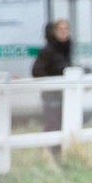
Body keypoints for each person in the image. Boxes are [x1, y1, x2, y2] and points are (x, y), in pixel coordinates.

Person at [32, 19, 72, 159]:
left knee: (62, 124)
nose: (64, 33)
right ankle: (47, 154)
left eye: (66, 29)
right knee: (52, 125)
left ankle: (58, 156)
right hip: (51, 95)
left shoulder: (66, 48)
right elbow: (36, 71)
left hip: (63, 94)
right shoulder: (48, 50)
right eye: (60, 30)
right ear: (54, 32)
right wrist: (53, 81)